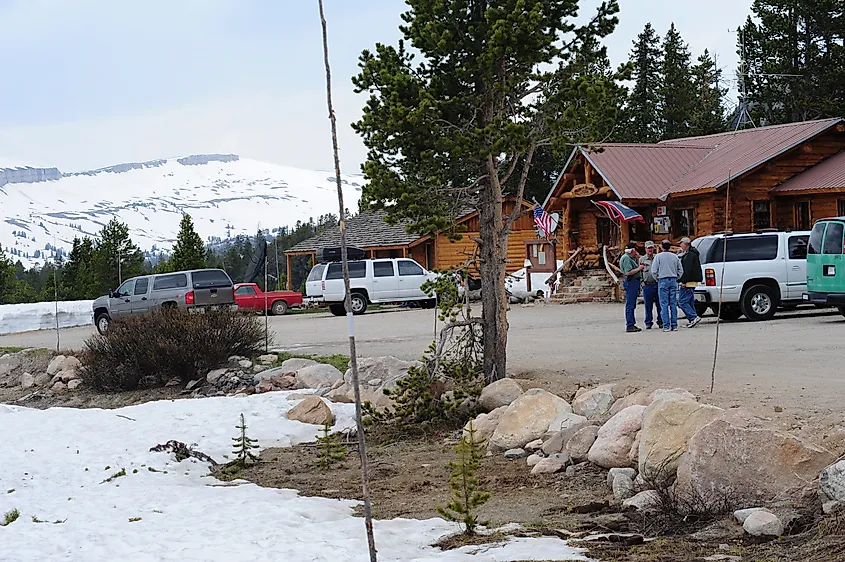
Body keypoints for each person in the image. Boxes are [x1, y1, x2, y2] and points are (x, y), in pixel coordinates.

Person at [651, 239, 683, 332]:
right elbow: (680, 270)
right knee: (673, 303)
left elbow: (653, 271)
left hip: (663, 280)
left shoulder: (658, 257)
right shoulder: (675, 257)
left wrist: (658, 279)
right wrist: (677, 277)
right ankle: (674, 325)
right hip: (673, 279)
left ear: (661, 246)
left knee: (664, 304)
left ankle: (666, 325)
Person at [677, 237, 703, 328]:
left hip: (688, 282)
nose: (680, 245)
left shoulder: (689, 255)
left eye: (681, 243)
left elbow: (687, 270)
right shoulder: (692, 254)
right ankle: (692, 319)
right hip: (692, 281)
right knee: (689, 301)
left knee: (682, 301)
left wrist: (683, 281)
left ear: (686, 244)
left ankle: (693, 317)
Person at [619, 241, 644, 333]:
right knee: (630, 304)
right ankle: (630, 324)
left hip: (634, 282)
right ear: (632, 250)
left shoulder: (630, 258)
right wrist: (639, 268)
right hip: (631, 281)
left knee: (632, 304)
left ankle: (632, 323)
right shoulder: (626, 258)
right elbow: (628, 272)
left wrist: (637, 257)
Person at [639, 241, 663, 330]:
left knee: (659, 304)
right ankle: (648, 322)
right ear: (645, 249)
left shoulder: (657, 258)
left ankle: (661, 321)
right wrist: (642, 283)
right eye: (648, 248)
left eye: (651, 248)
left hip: (657, 284)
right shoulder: (642, 259)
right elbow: (640, 272)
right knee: (648, 306)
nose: (650, 250)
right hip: (647, 285)